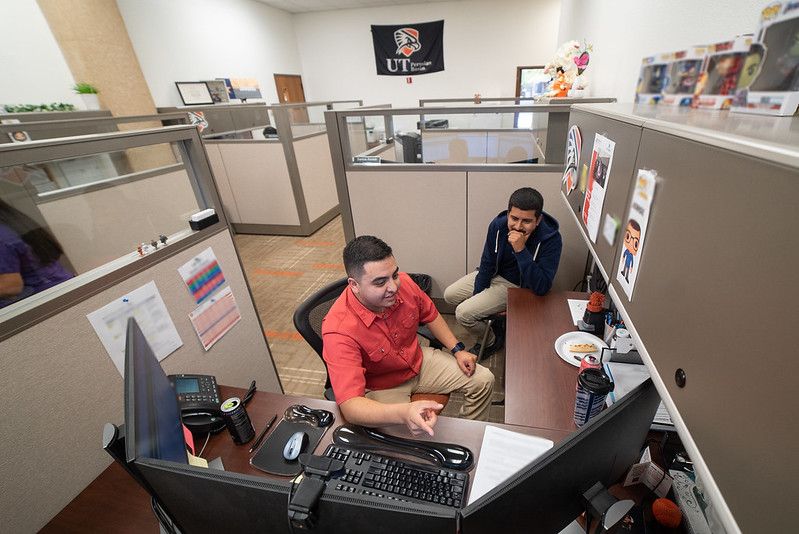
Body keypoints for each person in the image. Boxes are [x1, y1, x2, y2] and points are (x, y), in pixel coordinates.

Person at [322, 236, 494, 437]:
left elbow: (430, 314)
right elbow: (351, 407)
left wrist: (457, 349)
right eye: (380, 282)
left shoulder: (405, 284)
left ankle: (471, 437)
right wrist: (403, 413)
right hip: (382, 384)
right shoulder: (339, 329)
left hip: (417, 361)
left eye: (394, 275)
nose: (393, 287)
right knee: (406, 444)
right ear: (354, 284)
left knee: (484, 380)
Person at [444, 187, 562, 356]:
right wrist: (479, 295)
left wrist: (521, 251)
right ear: (508, 214)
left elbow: (542, 287)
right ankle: (492, 321)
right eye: (514, 218)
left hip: (516, 286)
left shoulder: (552, 239)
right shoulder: (498, 225)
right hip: (494, 274)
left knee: (463, 314)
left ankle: (492, 340)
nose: (518, 226)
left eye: (526, 221)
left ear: (538, 220)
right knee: (449, 295)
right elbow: (487, 263)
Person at [0, 200, 73, 308]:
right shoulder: (13, 220)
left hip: (47, 300)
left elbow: (11, 286)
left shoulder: (2, 236)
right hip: (65, 287)